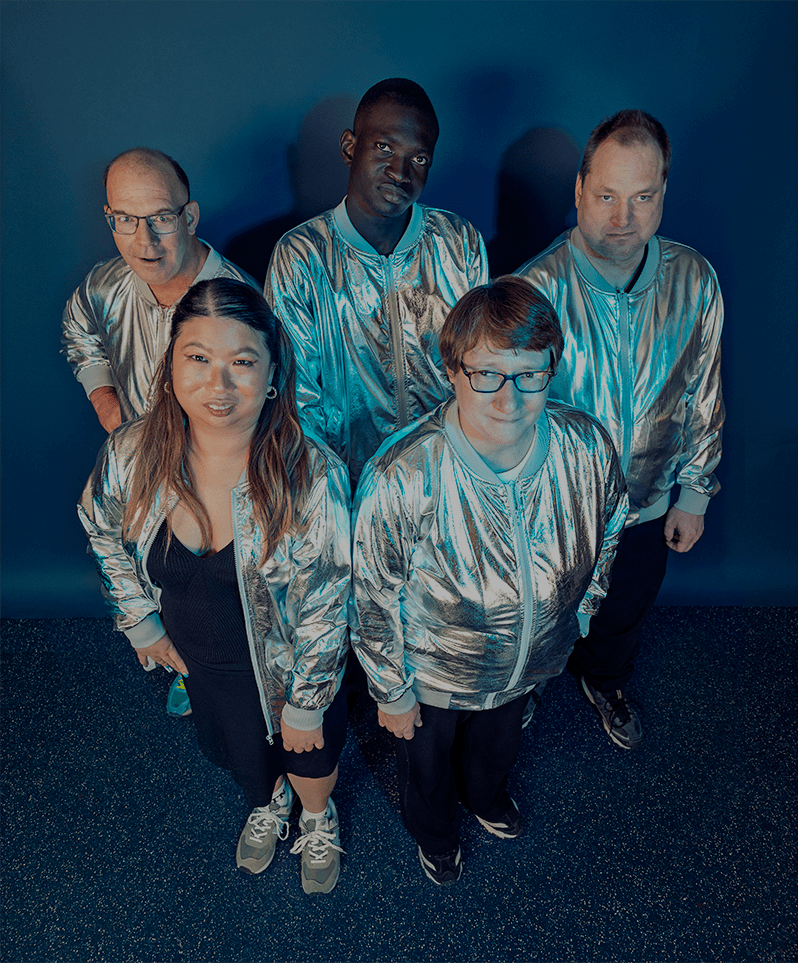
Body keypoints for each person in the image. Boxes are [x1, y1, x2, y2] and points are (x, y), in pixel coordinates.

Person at [351, 277, 628, 885]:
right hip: (431, 676)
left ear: (552, 368)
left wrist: (582, 611)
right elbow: (371, 595)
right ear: (452, 370)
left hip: (529, 661)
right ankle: (436, 835)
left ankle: (486, 798)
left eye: (529, 374)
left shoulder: (585, 446)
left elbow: (609, 529)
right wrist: (391, 689)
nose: (509, 398)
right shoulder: (403, 474)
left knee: (497, 749)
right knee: (424, 766)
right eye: (487, 375)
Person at [78, 279, 351, 894]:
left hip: (288, 671)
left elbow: (328, 603)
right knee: (246, 762)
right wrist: (140, 621)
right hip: (203, 663)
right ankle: (269, 806)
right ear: (170, 364)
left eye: (242, 362)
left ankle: (315, 816)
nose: (218, 385)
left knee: (308, 760)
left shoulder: (310, 477)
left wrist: (306, 701)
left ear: (274, 374)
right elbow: (98, 525)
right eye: (198, 358)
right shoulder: (132, 454)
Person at [516, 109, 724, 749]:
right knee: (542, 618)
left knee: (624, 615)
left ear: (664, 193)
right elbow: (506, 417)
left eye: (642, 197)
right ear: (579, 190)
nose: (621, 217)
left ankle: (604, 680)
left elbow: (704, 391)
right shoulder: (532, 290)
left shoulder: (694, 280)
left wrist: (694, 493)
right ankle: (526, 689)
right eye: (606, 195)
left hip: (648, 500)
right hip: (556, 513)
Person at [63, 147, 259, 717]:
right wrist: (106, 402)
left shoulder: (237, 301)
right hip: (140, 468)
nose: (143, 241)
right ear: (109, 218)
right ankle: (179, 662)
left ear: (190, 217)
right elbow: (81, 331)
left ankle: (228, 672)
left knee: (213, 584)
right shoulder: (104, 286)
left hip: (216, 472)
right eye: (125, 220)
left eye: (160, 219)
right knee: (148, 568)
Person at [266, 78, 489, 490]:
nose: (400, 171)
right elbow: (297, 397)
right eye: (384, 148)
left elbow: (481, 367)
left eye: (418, 158)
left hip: (446, 484)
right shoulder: (302, 255)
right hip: (347, 490)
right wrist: (332, 495)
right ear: (350, 147)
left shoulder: (458, 243)